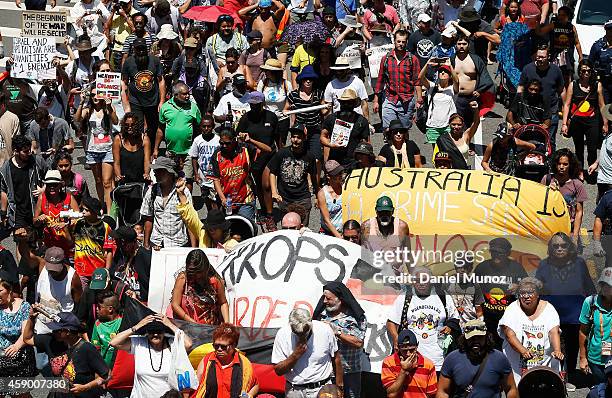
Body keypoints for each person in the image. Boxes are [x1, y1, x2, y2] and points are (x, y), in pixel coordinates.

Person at [535, 232, 595, 388]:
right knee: (552, 347)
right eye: (555, 246)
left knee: (571, 346)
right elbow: (537, 287)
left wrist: (596, 305)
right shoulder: (544, 264)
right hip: (551, 315)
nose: (559, 249)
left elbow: (589, 286)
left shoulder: (580, 263)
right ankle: (553, 376)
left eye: (563, 245)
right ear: (550, 248)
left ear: (570, 247)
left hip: (575, 314)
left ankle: (567, 378)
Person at [387, 266, 459, 371]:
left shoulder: (442, 296)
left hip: (438, 358)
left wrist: (449, 327)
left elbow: (454, 318)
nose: (421, 283)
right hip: (411, 358)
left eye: (424, 279)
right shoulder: (406, 297)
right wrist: (395, 337)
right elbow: (391, 322)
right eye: (417, 280)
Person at [110, 313, 193, 397]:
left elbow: (188, 344)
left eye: (159, 331)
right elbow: (114, 342)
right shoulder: (138, 343)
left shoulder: (172, 343)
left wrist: (169, 324)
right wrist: (137, 326)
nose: (155, 335)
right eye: (152, 331)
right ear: (147, 332)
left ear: (164, 332)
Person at [498, 277, 563, 383]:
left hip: (544, 366)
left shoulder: (549, 309)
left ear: (537, 294)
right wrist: (523, 351)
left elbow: (553, 332)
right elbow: (509, 335)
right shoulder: (512, 309)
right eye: (523, 293)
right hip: (517, 369)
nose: (526, 296)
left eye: (530, 292)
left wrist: (557, 350)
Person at [34, 311, 111, 397]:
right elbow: (27, 339)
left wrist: (86, 387)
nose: (53, 332)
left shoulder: (87, 348)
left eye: (57, 330)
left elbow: (107, 375)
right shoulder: (57, 343)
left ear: (67, 332)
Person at [272, 308, 343, 398]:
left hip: (322, 388)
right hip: (295, 391)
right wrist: (295, 355)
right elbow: (278, 370)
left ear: (311, 324)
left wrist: (340, 386)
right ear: (290, 326)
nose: (301, 336)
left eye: (305, 332)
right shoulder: (282, 334)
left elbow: (336, 358)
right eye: (297, 333)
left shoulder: (325, 330)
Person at [437, 320, 518, 398]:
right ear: (465, 338)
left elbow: (511, 389)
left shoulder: (499, 359)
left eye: (480, 337)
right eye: (471, 338)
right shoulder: (452, 359)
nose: (476, 341)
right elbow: (443, 392)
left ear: (486, 337)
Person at [475, 237, 528, 349]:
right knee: (489, 350)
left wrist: (518, 287)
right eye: (493, 252)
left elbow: (529, 286)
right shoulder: (482, 268)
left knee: (509, 349)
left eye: (500, 252)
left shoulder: (516, 268)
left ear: (507, 253)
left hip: (509, 319)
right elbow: (474, 291)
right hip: (488, 319)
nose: (496, 255)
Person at [211, 128, 271, 222]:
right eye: (221, 143)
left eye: (227, 143)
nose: (224, 146)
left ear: (234, 140)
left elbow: (268, 150)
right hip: (227, 201)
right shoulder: (217, 155)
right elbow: (216, 179)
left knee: (245, 227)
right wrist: (222, 199)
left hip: (245, 199)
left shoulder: (245, 149)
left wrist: (250, 140)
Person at [74, 86, 118, 214]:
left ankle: (110, 212)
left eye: (97, 95)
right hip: (92, 150)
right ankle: (102, 205)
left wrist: (109, 107)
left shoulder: (108, 108)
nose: (95, 98)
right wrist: (81, 102)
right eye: (92, 96)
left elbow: (115, 121)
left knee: (106, 182)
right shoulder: (88, 110)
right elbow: (77, 119)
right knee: (98, 180)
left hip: (107, 149)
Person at [561, 60, 607, 172]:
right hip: (577, 121)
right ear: (579, 72)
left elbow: (602, 105)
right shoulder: (573, 85)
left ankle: (591, 169)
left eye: (588, 71)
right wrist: (564, 124)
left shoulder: (597, 85)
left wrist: (605, 123)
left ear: (592, 72)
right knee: (579, 148)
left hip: (592, 121)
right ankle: (579, 171)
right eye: (583, 71)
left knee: (592, 148)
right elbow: (567, 104)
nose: (586, 73)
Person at [267, 124, 318, 226]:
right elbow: (272, 172)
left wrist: (317, 195)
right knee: (288, 227)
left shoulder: (309, 156)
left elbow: (314, 176)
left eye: (299, 137)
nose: (295, 140)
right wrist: (274, 192)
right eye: (293, 137)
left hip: (302, 198)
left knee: (302, 229)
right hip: (285, 198)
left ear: (304, 138)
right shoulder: (282, 153)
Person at [154, 82, 202, 188]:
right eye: (184, 94)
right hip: (171, 151)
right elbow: (160, 129)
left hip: (188, 150)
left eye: (188, 93)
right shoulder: (166, 107)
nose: (188, 96)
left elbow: (199, 127)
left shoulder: (193, 107)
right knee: (171, 178)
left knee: (188, 179)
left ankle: (188, 204)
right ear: (176, 95)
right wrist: (156, 149)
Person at [140, 156, 193, 249]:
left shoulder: (183, 192)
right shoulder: (152, 191)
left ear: (170, 173)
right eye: (156, 171)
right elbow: (148, 218)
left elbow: (190, 220)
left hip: (178, 244)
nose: (156, 173)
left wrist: (193, 247)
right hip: (156, 243)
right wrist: (146, 244)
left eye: (160, 171)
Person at [518, 45, 564, 152]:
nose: (540, 59)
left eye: (542, 57)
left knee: (550, 141)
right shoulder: (528, 69)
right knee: (528, 140)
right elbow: (521, 88)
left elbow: (561, 90)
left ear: (548, 56)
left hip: (551, 112)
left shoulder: (556, 70)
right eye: (538, 56)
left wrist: (565, 115)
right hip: (531, 113)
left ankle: (549, 165)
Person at [121, 37, 166, 146]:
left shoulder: (155, 61)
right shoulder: (128, 62)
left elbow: (161, 81)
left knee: (153, 127)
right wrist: (126, 104)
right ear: (134, 50)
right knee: (137, 126)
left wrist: (161, 101)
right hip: (135, 100)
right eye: (138, 49)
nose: (141, 51)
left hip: (152, 100)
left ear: (147, 49)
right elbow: (124, 83)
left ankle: (151, 150)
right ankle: (140, 148)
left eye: (143, 49)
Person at [194, 322, 259, 398]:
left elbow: (256, 385)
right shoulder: (207, 360)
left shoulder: (244, 364)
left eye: (223, 347)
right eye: (216, 346)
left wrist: (250, 395)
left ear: (234, 345)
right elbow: (196, 385)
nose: (219, 349)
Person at [0, 135, 47, 238]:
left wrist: (44, 189)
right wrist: (3, 213)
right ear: (16, 151)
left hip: (37, 208)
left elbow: (50, 177)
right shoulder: (6, 169)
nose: (29, 153)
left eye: (29, 150)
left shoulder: (37, 161)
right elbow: (3, 191)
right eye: (25, 151)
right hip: (18, 213)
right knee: (20, 242)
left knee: (41, 239)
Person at [372, 29, 420, 129]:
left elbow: (417, 80)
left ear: (406, 42)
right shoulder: (386, 59)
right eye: (398, 41)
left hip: (406, 99)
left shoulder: (413, 59)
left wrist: (419, 99)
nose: (401, 44)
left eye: (403, 42)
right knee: (388, 129)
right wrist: (376, 100)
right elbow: (380, 80)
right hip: (390, 98)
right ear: (394, 41)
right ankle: (390, 143)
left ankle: (404, 144)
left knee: (403, 130)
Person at [175, 178, 239, 251]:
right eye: (209, 228)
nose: (211, 230)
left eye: (215, 228)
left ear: (222, 229)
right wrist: (181, 194)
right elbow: (191, 217)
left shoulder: (233, 245)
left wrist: (233, 251)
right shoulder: (203, 234)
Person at [171, 249, 229, 324]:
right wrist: (192, 322)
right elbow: (175, 304)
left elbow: (223, 303)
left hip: (210, 328)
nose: (194, 275)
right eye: (191, 271)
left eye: (198, 271)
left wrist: (227, 323)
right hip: (188, 326)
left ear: (205, 268)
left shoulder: (215, 281)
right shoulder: (183, 279)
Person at [540, 150, 587, 243]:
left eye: (565, 164)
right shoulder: (547, 179)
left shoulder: (577, 185)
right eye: (559, 163)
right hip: (549, 227)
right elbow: (539, 204)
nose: (561, 167)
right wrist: (548, 191)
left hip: (568, 228)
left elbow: (579, 212)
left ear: (570, 165)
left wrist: (575, 236)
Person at [285, 66, 329, 161]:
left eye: (310, 79)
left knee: (316, 157)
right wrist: (290, 111)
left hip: (314, 130)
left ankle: (316, 175)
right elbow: (285, 110)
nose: (308, 81)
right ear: (301, 80)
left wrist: (328, 108)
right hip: (300, 130)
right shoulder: (293, 95)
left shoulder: (318, 93)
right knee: (300, 157)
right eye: (306, 79)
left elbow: (324, 112)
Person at [0, 271, 37, 381]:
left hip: (20, 360)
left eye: (0, 290)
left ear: (9, 290)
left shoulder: (24, 307)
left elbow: (26, 331)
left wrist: (16, 346)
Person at [33, 170, 79, 257]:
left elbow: (79, 218)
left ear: (60, 185)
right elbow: (34, 221)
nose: (52, 187)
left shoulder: (69, 198)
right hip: (50, 244)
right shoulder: (42, 198)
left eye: (55, 184)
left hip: (68, 243)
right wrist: (39, 219)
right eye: (49, 185)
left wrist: (66, 223)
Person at [70, 196, 115, 287]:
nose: (83, 212)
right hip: (80, 270)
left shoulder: (105, 227)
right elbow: (70, 241)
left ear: (94, 212)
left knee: (98, 297)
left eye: (86, 210)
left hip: (98, 270)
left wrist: (106, 270)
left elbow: (109, 250)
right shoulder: (77, 223)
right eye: (82, 209)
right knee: (83, 298)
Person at [449, 34, 494, 123]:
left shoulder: (476, 59)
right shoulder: (451, 59)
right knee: (455, 125)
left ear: (468, 45)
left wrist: (480, 90)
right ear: (456, 45)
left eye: (464, 44)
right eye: (459, 44)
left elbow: (485, 77)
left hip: (471, 98)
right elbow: (444, 77)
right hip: (455, 98)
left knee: (471, 125)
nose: (461, 46)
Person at [380, 329, 437, 398]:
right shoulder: (389, 363)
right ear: (398, 347)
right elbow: (391, 394)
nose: (408, 354)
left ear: (417, 346)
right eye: (404, 350)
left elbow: (431, 394)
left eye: (412, 350)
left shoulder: (428, 364)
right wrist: (403, 371)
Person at [320, 88, 370, 166]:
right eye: (343, 103)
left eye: (349, 103)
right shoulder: (331, 118)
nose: (346, 105)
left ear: (354, 104)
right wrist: (330, 144)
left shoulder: (362, 121)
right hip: (335, 160)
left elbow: (367, 143)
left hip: (354, 161)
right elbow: (323, 137)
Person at [579, 268, 612, 383]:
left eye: (610, 285)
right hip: (596, 358)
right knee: (601, 388)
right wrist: (583, 358)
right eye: (604, 284)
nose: (606, 287)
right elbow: (583, 332)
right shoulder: (591, 302)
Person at [361, 195, 410, 272]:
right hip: (374, 276)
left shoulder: (402, 227)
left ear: (392, 211)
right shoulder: (366, 227)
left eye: (387, 212)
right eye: (381, 212)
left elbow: (408, 255)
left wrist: (413, 275)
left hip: (396, 277)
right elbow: (363, 255)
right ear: (376, 211)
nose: (384, 216)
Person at [108, 226, 152, 303]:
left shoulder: (145, 256)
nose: (115, 243)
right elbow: (112, 274)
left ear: (124, 242)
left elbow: (148, 284)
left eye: (117, 241)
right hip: (120, 299)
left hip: (139, 302)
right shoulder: (120, 253)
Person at [419, 62, 459, 146]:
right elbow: (420, 77)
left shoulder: (452, 89)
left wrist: (450, 65)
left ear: (450, 75)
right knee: (436, 154)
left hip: (448, 126)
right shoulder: (432, 87)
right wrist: (427, 64)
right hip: (433, 126)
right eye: (441, 71)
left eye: (446, 72)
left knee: (448, 151)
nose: (443, 73)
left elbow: (457, 80)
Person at [434, 104, 480, 170]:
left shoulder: (466, 136)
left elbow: (476, 123)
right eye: (453, 124)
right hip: (447, 172)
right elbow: (436, 158)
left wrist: (476, 109)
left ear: (463, 125)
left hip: (463, 171)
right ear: (449, 124)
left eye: (459, 125)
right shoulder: (442, 139)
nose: (456, 127)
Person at [258, 59, 293, 146]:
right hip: (267, 119)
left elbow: (290, 102)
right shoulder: (262, 83)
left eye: (267, 71)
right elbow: (259, 101)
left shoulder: (286, 84)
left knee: (281, 144)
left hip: (282, 120)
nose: (265, 72)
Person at [190, 115, 220, 211]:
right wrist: (196, 174)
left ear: (213, 126)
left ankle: (216, 219)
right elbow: (194, 157)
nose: (206, 129)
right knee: (206, 198)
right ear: (200, 127)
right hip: (203, 176)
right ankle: (210, 216)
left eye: (209, 126)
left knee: (215, 200)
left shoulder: (218, 140)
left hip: (215, 176)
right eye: (204, 126)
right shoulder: (197, 140)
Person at [113, 112, 151, 184]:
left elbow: (147, 160)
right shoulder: (118, 139)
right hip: (124, 179)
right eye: (127, 125)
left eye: (133, 125)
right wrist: (118, 175)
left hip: (140, 178)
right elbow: (116, 162)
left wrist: (146, 173)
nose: (130, 128)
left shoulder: (145, 139)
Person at [446, 258, 485, 329]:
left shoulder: (474, 284)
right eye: (459, 267)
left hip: (470, 324)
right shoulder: (448, 283)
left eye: (465, 267)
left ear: (470, 269)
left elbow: (478, 308)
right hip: (453, 325)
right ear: (455, 267)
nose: (462, 270)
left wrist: (480, 323)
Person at [91, 292, 122, 368]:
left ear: (110, 309)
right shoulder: (98, 324)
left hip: (119, 368)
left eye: (99, 307)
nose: (96, 309)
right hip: (104, 369)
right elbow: (96, 349)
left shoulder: (122, 323)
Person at [317, 160, 344, 238]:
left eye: (340, 173)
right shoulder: (322, 193)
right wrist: (339, 237)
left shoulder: (345, 188)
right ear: (328, 176)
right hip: (327, 233)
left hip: (344, 231)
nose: (340, 175)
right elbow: (326, 220)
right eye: (336, 174)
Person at [589, 21, 612, 103]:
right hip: (603, 82)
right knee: (604, 107)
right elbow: (590, 64)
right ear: (605, 29)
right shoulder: (597, 46)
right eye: (609, 29)